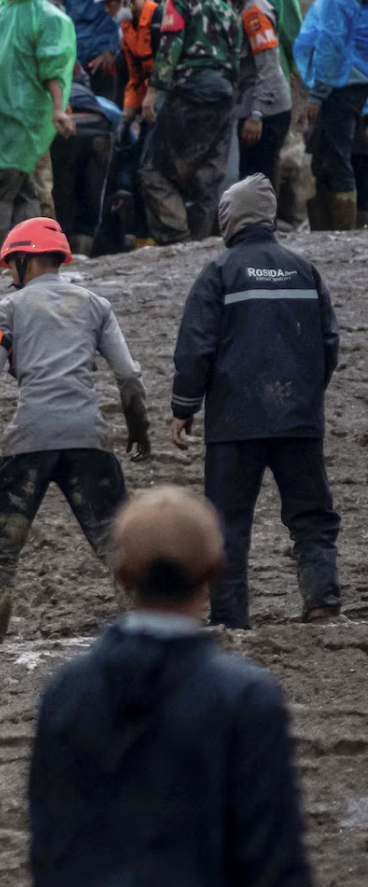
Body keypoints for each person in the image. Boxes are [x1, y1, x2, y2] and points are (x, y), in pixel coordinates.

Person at [29, 486, 342, 887]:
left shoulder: (68, 693)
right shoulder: (243, 697)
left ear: (121, 574)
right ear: (215, 571)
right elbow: (271, 851)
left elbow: (53, 844)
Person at [0, 218, 149, 643]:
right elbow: (129, 377)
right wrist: (139, 430)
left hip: (27, 441)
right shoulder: (97, 306)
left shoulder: (6, 310)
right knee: (119, 548)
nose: (9, 274)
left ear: (25, 260)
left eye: (11, 265)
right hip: (89, 440)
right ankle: (151, 637)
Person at [170, 175, 339, 629]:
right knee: (312, 516)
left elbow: (195, 348)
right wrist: (306, 394)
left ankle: (230, 619)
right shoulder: (304, 270)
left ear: (230, 217)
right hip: (298, 419)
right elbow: (329, 343)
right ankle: (322, 601)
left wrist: (184, 407)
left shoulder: (219, 271)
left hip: (234, 424)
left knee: (226, 524)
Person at [0, 0, 78, 258]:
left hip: (27, 119)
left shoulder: (48, 17)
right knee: (23, 187)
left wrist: (58, 109)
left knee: (3, 183)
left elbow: (53, 68)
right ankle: (35, 253)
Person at [139, 0, 245, 245]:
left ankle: (176, 238)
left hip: (190, 91)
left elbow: (171, 44)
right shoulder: (226, 8)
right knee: (207, 173)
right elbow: (236, 57)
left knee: (153, 170)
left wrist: (153, 91)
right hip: (224, 95)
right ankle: (200, 241)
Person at [293, 0, 368, 232]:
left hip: (340, 86)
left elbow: (330, 44)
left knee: (336, 159)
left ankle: (342, 231)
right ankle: (343, 227)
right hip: (358, 87)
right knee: (339, 156)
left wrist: (318, 94)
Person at [208, 0, 293, 189]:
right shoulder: (229, 3)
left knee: (256, 181)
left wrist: (257, 115)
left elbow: (269, 68)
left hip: (267, 109)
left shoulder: (255, 12)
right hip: (250, 103)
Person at [51, 67, 124, 256]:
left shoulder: (49, 88)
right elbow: (122, 134)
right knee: (92, 198)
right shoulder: (101, 102)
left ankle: (61, 251)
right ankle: (83, 252)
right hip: (98, 129)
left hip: (62, 132)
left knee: (61, 193)